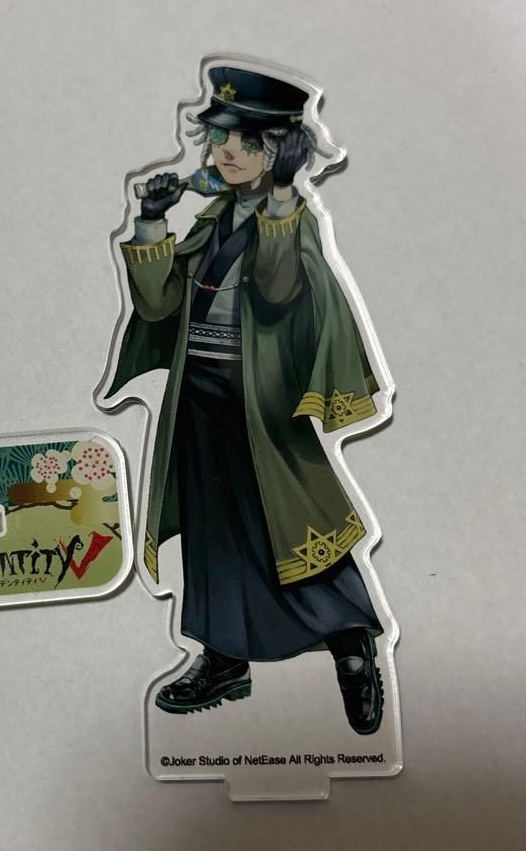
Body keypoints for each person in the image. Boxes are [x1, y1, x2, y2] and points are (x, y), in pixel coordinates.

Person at [107, 66, 386, 735]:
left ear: (281, 151)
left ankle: (352, 647)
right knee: (212, 532)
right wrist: (151, 223)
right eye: (220, 138)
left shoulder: (290, 219)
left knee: (293, 524)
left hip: (264, 406)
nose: (226, 152)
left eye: (247, 142)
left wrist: (285, 194)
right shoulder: (212, 218)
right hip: (199, 400)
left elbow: (279, 287)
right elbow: (159, 304)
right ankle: (224, 657)